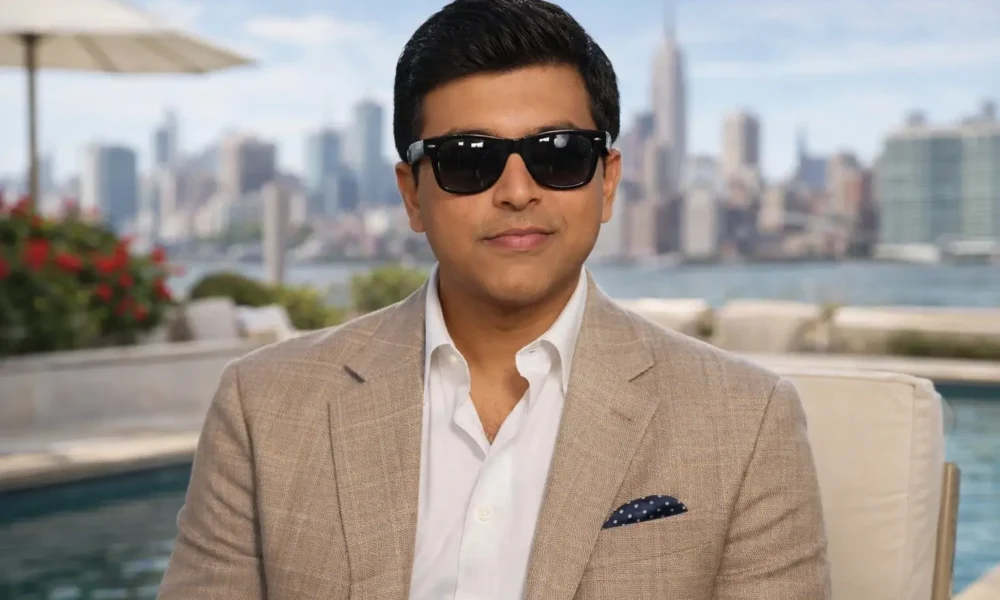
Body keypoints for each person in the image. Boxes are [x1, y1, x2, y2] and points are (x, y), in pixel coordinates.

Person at [157, 1, 831, 599]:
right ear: (413, 193)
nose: (516, 191)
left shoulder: (744, 422)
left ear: (607, 184)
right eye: (469, 158)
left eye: (558, 152)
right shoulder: (264, 407)